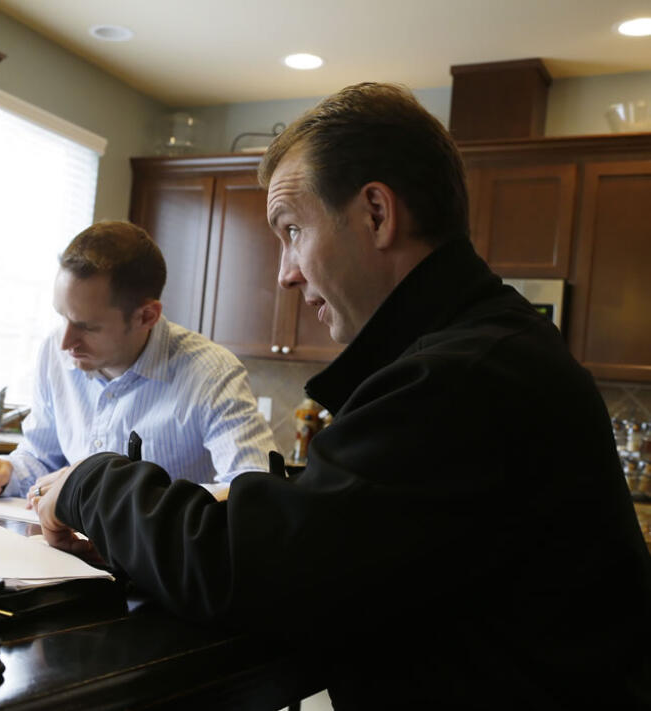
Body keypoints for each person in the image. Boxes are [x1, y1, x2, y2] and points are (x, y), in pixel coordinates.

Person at [33, 84, 651, 709]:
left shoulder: (462, 376)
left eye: (293, 229)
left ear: (377, 214)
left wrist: (91, 483)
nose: (285, 271)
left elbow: (259, 573)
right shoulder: (480, 350)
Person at [0, 221, 277, 500]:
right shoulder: (55, 350)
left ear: (146, 316)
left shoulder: (212, 373)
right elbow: (42, 456)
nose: (66, 342)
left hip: (161, 566)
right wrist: (3, 473)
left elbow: (255, 489)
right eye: (61, 317)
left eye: (87, 327)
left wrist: (125, 502)